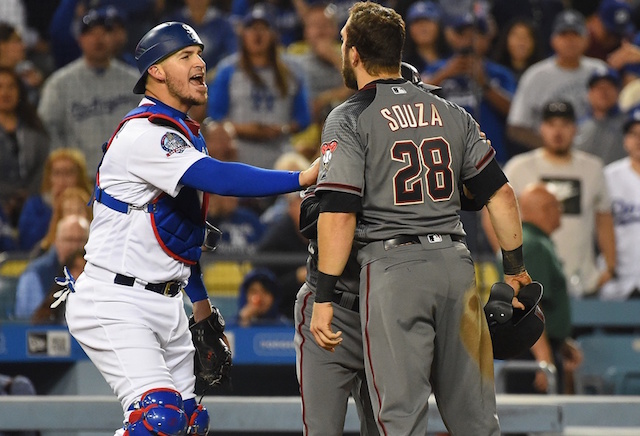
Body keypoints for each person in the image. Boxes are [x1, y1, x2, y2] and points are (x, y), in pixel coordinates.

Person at [63, 21, 318, 436]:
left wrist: (198, 302)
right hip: (115, 299)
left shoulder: (185, 136)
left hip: (166, 302)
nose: (200, 62)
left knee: (190, 422)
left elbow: (181, 233)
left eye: (199, 53)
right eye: (185, 56)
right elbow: (222, 178)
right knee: (157, 420)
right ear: (157, 71)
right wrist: (299, 178)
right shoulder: (145, 134)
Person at [309, 3, 532, 434]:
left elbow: (338, 215)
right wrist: (516, 269)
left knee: (401, 417)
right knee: (477, 420)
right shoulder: (449, 109)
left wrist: (322, 298)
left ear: (353, 54)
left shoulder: (350, 116)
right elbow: (501, 194)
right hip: (455, 266)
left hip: (394, 271)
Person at [499, 100, 616, 298]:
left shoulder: (593, 168)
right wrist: (509, 263)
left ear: (575, 129)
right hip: (531, 280)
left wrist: (610, 267)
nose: (558, 132)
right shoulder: (518, 167)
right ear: (541, 128)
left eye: (565, 125)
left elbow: (603, 218)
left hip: (584, 281)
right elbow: (496, 214)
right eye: (551, 125)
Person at [294, 185, 379, 436]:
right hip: (330, 307)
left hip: (385, 309)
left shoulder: (393, 163)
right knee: (322, 429)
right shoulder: (338, 153)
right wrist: (354, 202)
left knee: (388, 428)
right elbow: (308, 221)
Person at [37, 7, 141, 178]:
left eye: (104, 32)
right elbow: (46, 129)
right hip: (80, 181)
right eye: (91, 33)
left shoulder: (133, 81)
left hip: (128, 176)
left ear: (114, 38)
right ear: (80, 39)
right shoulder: (59, 84)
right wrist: (66, 169)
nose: (98, 39)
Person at [206, 3, 312, 168]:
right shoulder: (228, 69)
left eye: (263, 28)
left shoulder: (292, 70)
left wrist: (282, 129)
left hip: (280, 155)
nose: (257, 34)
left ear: (273, 34)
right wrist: (246, 129)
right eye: (251, 28)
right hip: (238, 156)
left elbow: (303, 118)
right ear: (242, 33)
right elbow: (215, 117)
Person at [504, 183, 582, 395]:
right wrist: (544, 359)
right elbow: (528, 305)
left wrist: (561, 341)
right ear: (546, 209)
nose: (561, 212)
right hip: (531, 354)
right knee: (533, 424)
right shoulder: (533, 245)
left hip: (537, 348)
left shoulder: (534, 241)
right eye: (557, 206)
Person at [507, 9, 609, 150]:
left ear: (587, 40)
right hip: (548, 157)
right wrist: (554, 149)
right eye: (564, 35)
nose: (570, 41)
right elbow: (516, 127)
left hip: (596, 153)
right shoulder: (536, 75)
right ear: (553, 40)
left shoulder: (600, 70)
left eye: (575, 35)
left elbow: (616, 116)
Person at [14, 214, 89, 320]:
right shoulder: (36, 274)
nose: (75, 247)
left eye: (81, 240)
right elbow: (30, 322)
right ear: (56, 242)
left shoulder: (97, 274)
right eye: (69, 240)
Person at [0, 66, 49, 229]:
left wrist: (28, 196)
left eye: (11, 86)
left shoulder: (34, 126)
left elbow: (43, 166)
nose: (6, 92)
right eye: (0, 87)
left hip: (32, 203)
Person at [17, 148, 91, 252]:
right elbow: (27, 244)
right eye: (57, 173)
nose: (62, 180)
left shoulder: (93, 205)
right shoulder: (34, 206)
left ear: (80, 176)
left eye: (68, 173)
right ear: (49, 177)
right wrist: (57, 211)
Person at [600, 105, 640, 300]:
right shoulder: (608, 177)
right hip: (619, 283)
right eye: (633, 134)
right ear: (626, 140)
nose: (638, 140)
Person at [574, 66, 627, 165]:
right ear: (589, 93)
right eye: (598, 88)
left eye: (609, 87)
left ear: (618, 91)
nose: (603, 92)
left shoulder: (630, 125)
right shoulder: (576, 126)